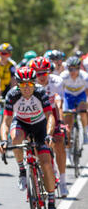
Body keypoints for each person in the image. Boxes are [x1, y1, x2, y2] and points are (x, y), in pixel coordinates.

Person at [0, 66, 58, 209]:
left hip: (40, 126)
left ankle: (51, 202)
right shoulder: (12, 95)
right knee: (15, 139)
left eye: (29, 84)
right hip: (22, 123)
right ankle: (22, 171)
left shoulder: (40, 92)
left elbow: (49, 116)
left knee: (45, 163)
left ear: (34, 83)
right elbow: (6, 122)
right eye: (22, 85)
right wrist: (3, 140)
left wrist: (49, 135)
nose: (26, 88)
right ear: (17, 84)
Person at [29, 56, 68, 197]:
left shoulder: (56, 81)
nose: (41, 77)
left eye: (44, 73)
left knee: (59, 142)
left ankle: (63, 181)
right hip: (36, 115)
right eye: (38, 73)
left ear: (49, 72)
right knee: (34, 147)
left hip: (52, 112)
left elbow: (59, 104)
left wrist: (62, 123)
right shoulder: (30, 84)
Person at [61, 56, 88, 164]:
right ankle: (68, 155)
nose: (73, 71)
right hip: (68, 96)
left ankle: (86, 131)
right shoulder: (63, 76)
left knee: (83, 112)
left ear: (79, 68)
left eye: (75, 69)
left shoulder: (85, 76)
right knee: (68, 125)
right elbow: (60, 92)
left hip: (81, 95)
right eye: (70, 69)